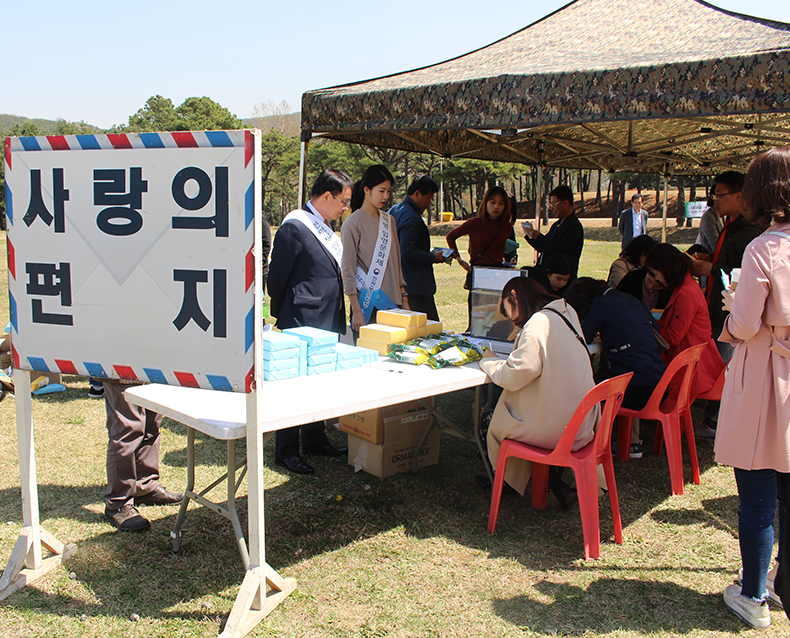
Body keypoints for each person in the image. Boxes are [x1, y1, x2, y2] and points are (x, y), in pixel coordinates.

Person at [714, 147, 790, 629]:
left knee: (758, 488)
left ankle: (755, 593)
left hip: (765, 376)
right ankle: (780, 582)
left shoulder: (763, 247)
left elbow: (742, 325)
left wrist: (733, 302)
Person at [477, 278, 597, 504]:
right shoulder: (565, 311)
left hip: (557, 427)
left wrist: (489, 362)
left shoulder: (538, 322)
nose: (511, 318)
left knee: (492, 418)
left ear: (514, 296)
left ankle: (505, 480)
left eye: (507, 309)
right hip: (581, 421)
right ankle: (552, 480)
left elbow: (516, 374)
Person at [268, 169, 353, 474]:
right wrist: (284, 312)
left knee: (321, 381)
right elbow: (276, 279)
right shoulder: (296, 226)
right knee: (295, 386)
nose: (345, 208)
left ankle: (315, 438)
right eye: (343, 201)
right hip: (302, 318)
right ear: (326, 196)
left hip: (328, 317)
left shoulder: (326, 228)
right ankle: (286, 449)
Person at [689, 171, 763, 438]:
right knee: (718, 363)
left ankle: (715, 421)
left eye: (719, 195)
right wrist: (711, 260)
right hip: (718, 307)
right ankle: (714, 417)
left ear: (739, 196)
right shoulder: (731, 225)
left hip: (732, 311)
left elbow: (743, 272)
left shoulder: (750, 231)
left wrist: (712, 268)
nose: (715, 201)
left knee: (723, 366)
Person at [565, 277, 666, 459]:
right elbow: (654, 327)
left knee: (590, 389)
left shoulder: (601, 303)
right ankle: (631, 442)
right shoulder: (629, 299)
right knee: (627, 370)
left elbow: (583, 336)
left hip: (636, 389)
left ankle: (591, 441)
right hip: (659, 384)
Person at [643, 244, 725, 401]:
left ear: (666, 269)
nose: (657, 278)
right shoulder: (684, 286)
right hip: (686, 360)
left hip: (688, 365)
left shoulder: (686, 292)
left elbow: (674, 337)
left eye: (656, 273)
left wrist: (646, 332)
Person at [103, 380, 183, 532]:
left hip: (149, 363)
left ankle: (145, 485)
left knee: (151, 423)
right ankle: (118, 503)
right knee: (128, 427)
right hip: (120, 365)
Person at [342, 165, 408, 332]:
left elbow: (396, 262)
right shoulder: (352, 223)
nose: (385, 196)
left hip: (394, 305)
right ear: (367, 189)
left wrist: (405, 299)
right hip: (367, 306)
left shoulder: (390, 221)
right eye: (381, 191)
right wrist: (356, 310)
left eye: (388, 191)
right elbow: (348, 270)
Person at [446, 186, 514, 329]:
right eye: (492, 202)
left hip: (497, 275)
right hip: (478, 273)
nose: (496, 207)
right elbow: (451, 237)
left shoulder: (506, 226)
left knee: (495, 318)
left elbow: (503, 249)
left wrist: (509, 260)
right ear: (485, 203)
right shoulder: (475, 223)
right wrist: (459, 259)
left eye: (501, 203)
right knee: (477, 320)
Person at [389, 175, 444, 321]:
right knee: (424, 330)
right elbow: (407, 251)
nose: (429, 202)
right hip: (415, 285)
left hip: (400, 281)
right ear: (417, 194)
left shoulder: (395, 209)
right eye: (429, 197)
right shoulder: (411, 217)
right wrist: (433, 257)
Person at [523, 185, 584, 280]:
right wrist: (531, 235)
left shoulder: (574, 226)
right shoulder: (557, 225)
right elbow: (543, 247)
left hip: (561, 278)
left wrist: (538, 236)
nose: (551, 208)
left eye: (553, 204)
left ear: (565, 203)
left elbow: (559, 251)